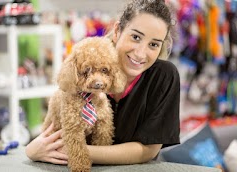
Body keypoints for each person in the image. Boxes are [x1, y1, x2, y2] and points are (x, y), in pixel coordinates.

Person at [25, 0, 180, 165]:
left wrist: (75, 150)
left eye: (154, 44)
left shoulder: (163, 76)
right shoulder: (84, 64)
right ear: (117, 31)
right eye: (135, 37)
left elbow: (148, 150)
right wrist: (31, 150)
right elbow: (51, 132)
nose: (141, 54)